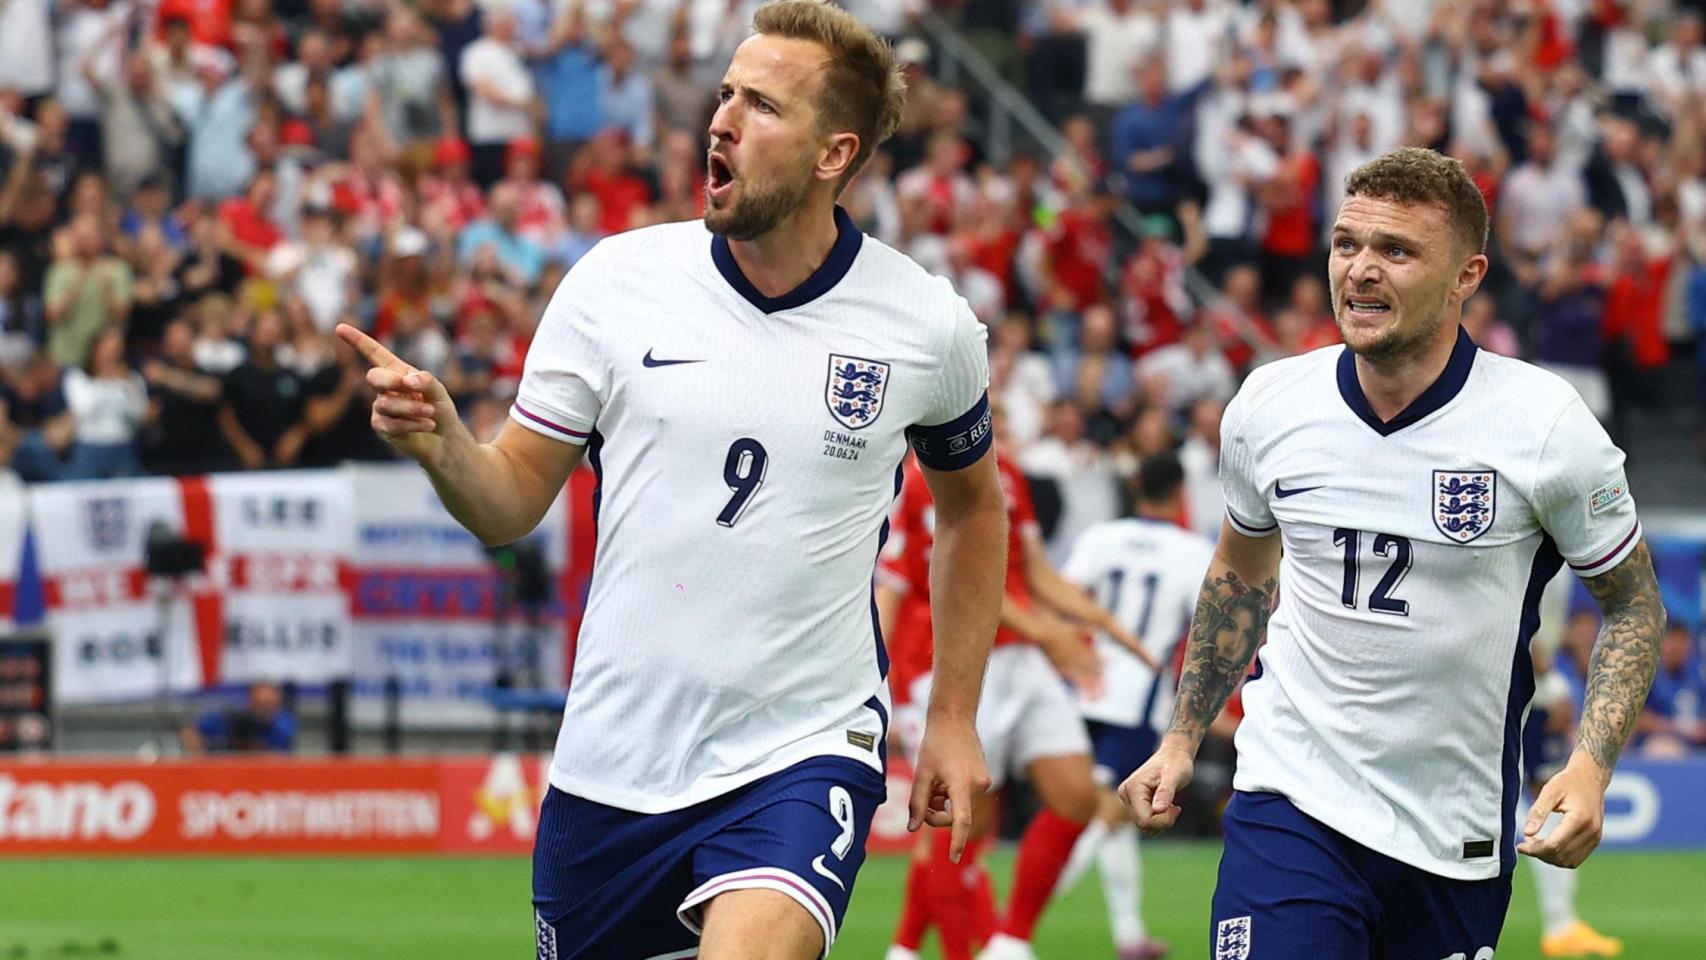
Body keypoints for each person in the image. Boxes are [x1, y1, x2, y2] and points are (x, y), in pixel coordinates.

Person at [337, 4, 1006, 958]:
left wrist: (951, 717)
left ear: (832, 154)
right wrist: (446, 442)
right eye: (726, 93)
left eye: (762, 104)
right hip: (615, 763)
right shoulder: (616, 284)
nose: (722, 120)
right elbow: (509, 500)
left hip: (800, 749)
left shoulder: (925, 325)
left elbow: (975, 508)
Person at [1119, 147, 1664, 957]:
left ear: (1466, 277)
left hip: (1452, 832)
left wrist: (1591, 766)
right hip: (1292, 798)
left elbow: (1633, 605)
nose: (1361, 270)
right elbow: (1241, 572)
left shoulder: (1544, 425)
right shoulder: (1272, 405)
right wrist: (1181, 736)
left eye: (1396, 251)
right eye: (1347, 245)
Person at [883, 408, 1151, 960]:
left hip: (1019, 658)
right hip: (947, 665)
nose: (992, 422)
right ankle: (946, 949)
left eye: (995, 413)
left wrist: (1104, 626)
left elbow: (1032, 574)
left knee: (1077, 796)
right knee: (961, 828)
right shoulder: (920, 479)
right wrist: (1049, 633)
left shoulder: (1007, 473)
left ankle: (1005, 941)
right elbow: (963, 581)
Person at [1044, 452, 1215, 960]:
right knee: (1105, 816)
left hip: (1086, 687)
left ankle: (1129, 936)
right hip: (1138, 698)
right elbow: (1206, 628)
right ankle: (1014, 920)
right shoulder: (1192, 550)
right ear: (1180, 492)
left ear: (1136, 484)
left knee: (1112, 817)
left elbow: (1065, 597)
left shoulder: (1102, 536)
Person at [181, 681, 296, 753]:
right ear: (251, 701)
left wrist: (255, 748)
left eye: (270, 705)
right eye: (261, 704)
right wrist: (204, 752)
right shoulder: (231, 718)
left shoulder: (283, 724)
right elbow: (190, 731)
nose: (265, 709)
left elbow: (281, 757)